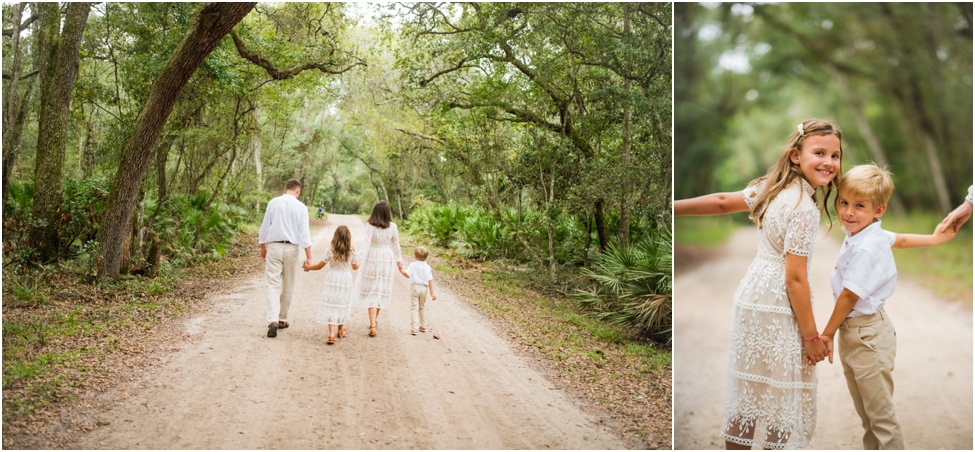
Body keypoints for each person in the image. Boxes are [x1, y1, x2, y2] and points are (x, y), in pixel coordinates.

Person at [674, 119, 842, 449]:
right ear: (796, 155)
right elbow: (795, 279)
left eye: (835, 155)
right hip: (778, 303)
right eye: (819, 152)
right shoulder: (804, 209)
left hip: (752, 296)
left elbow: (723, 201)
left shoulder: (772, 187)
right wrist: (811, 337)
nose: (829, 162)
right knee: (780, 392)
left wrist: (673, 208)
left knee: (749, 389)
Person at [818, 164, 956, 450]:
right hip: (854, 334)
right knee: (867, 414)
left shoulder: (867, 245)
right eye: (844, 203)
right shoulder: (867, 233)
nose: (848, 212)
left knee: (881, 418)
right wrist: (933, 239)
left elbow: (848, 297)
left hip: (868, 336)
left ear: (878, 211)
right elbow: (900, 239)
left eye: (859, 206)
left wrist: (826, 334)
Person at [258, 179, 313, 338]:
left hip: (274, 246)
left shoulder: (273, 203)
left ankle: (272, 320)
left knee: (272, 284)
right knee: (288, 284)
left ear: (285, 188)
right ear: (298, 191)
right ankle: (282, 319)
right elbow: (304, 234)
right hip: (292, 249)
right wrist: (308, 256)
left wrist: (263, 248)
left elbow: (264, 227)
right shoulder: (301, 207)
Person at [302, 225, 361, 345]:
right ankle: (340, 330)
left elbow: (319, 266)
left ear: (335, 237)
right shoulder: (351, 251)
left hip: (332, 277)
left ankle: (331, 334)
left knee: (332, 304)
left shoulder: (330, 250)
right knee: (342, 303)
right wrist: (359, 261)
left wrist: (308, 267)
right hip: (345, 278)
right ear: (348, 238)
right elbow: (355, 267)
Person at [352, 200, 402, 337]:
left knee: (373, 292)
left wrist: (358, 257)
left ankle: (373, 323)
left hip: (372, 257)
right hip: (386, 258)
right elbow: (396, 245)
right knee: (379, 290)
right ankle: (374, 322)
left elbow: (365, 243)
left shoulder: (370, 225)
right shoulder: (393, 226)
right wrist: (399, 261)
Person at [399, 246, 438, 336]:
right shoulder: (427, 267)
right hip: (424, 289)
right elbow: (430, 280)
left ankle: (414, 328)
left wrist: (401, 270)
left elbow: (407, 275)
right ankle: (423, 325)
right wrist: (432, 293)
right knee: (422, 307)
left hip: (415, 288)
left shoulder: (413, 265)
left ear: (415, 257)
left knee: (414, 308)